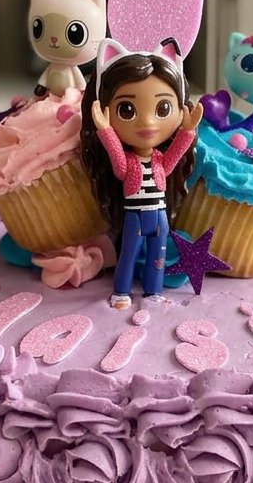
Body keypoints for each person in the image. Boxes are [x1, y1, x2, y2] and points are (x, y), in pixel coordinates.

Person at [80, 39, 202, 308]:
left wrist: (187, 131)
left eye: (162, 109)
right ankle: (122, 291)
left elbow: (175, 159)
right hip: (134, 216)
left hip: (159, 216)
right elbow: (118, 165)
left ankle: (153, 291)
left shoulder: (160, 162)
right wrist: (105, 130)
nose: (147, 122)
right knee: (129, 254)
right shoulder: (129, 164)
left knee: (157, 255)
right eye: (127, 109)